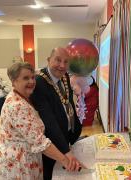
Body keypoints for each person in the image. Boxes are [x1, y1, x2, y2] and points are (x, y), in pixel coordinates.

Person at [0, 62, 82, 180]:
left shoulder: (24, 97)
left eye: (32, 77)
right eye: (26, 78)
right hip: (17, 164)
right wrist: (66, 160)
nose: (31, 81)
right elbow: (40, 142)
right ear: (14, 81)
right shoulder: (17, 105)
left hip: (25, 159)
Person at [31, 47, 82, 180]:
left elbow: (69, 102)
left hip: (66, 137)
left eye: (66, 62)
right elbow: (49, 121)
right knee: (52, 174)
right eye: (58, 60)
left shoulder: (64, 76)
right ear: (48, 60)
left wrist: (75, 130)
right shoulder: (39, 82)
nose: (62, 65)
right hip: (52, 143)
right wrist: (65, 150)